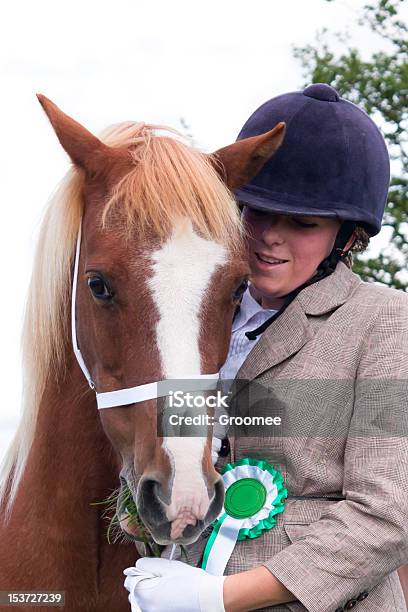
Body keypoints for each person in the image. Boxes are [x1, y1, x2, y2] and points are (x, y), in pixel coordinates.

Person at [123, 84, 408, 612]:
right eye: (255, 211)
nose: (269, 237)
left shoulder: (386, 321)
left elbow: (386, 513)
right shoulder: (203, 321)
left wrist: (223, 597)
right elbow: (176, 454)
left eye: (303, 224)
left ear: (347, 237)